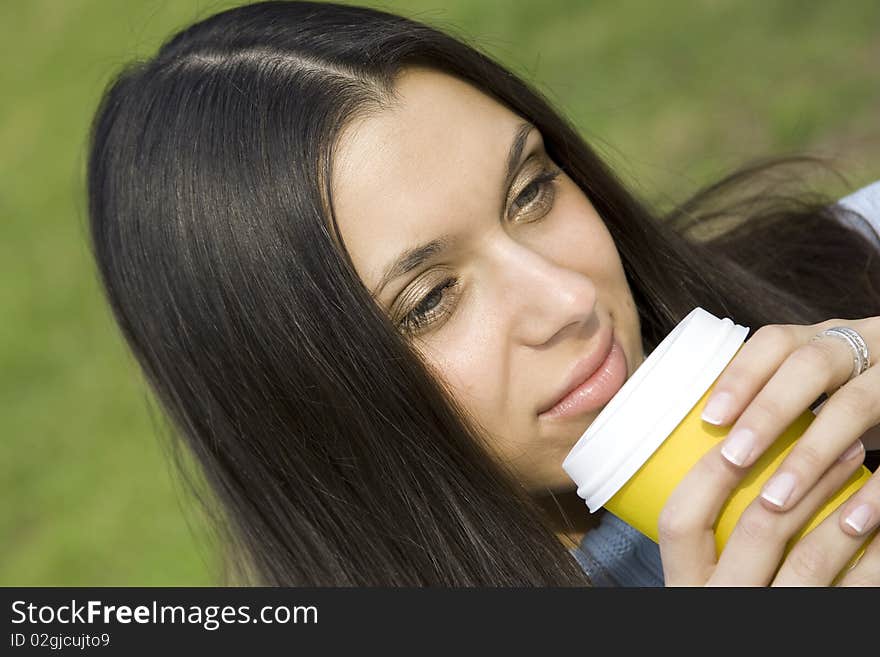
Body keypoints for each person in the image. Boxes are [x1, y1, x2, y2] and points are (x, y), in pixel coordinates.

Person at [84, 0, 880, 586]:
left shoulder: (845, 276)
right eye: (430, 300)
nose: (568, 299)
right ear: (304, 405)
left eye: (531, 191)